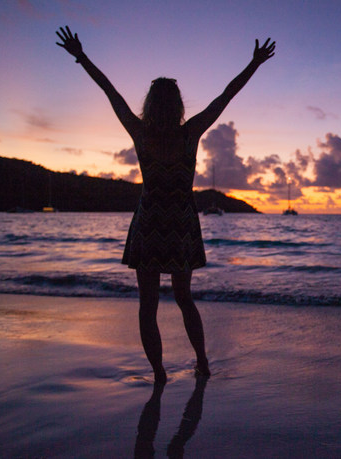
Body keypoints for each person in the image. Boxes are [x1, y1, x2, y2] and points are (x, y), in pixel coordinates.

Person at [56, 26, 275, 383]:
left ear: (149, 105)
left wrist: (81, 57)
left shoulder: (139, 132)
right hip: (180, 222)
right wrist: (254, 64)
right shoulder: (190, 132)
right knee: (185, 298)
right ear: (177, 105)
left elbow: (109, 90)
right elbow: (226, 95)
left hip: (149, 221)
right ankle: (201, 362)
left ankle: (159, 373)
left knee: (148, 305)